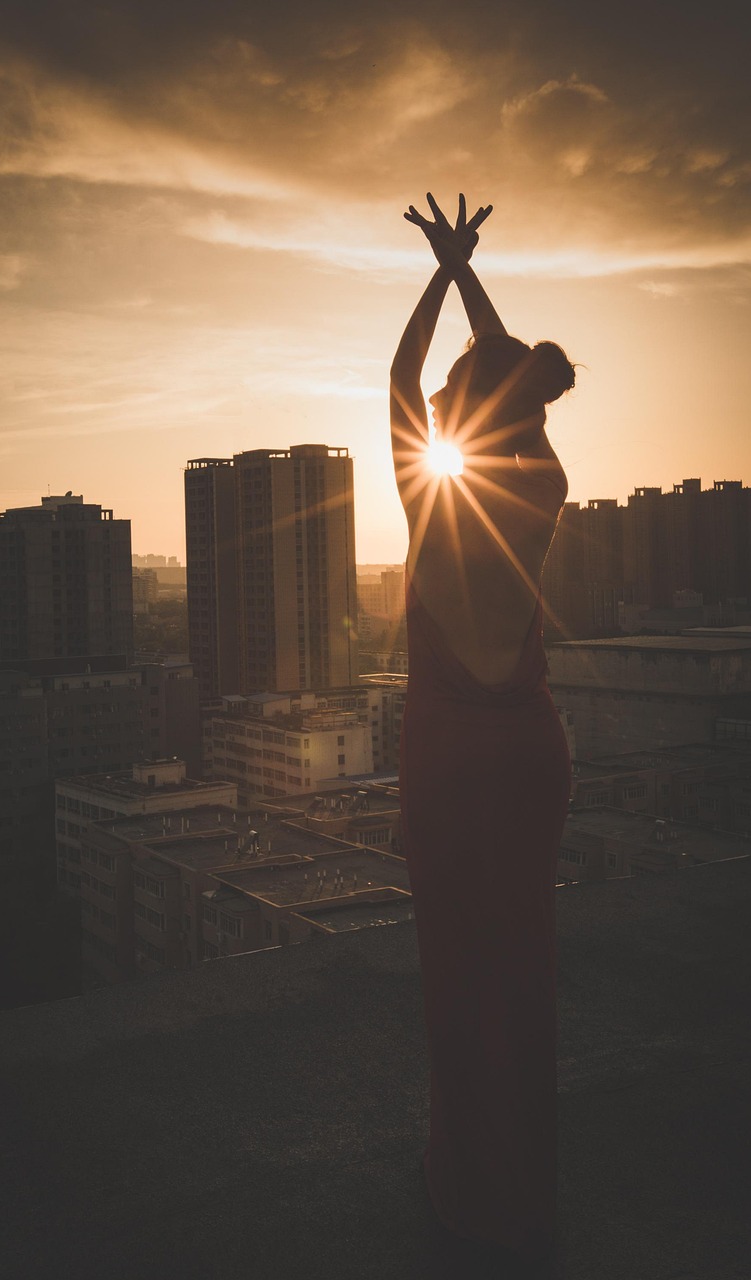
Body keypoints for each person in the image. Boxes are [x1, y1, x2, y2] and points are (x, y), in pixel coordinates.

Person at [391, 194, 575, 1277]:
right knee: (524, 973)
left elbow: (408, 378)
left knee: (458, 979)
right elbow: (496, 371)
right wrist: (468, 276)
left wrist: (441, 273)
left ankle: (472, 1194)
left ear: (463, 406)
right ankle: (531, 1197)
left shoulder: (429, 487)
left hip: (455, 761)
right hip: (531, 754)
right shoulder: (540, 476)